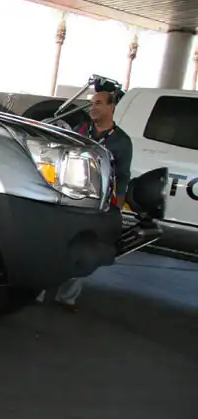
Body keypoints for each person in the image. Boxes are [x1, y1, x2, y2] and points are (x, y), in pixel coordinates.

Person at [51, 89, 134, 312]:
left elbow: (123, 177)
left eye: (98, 103)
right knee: (55, 241)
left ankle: (67, 297)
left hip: (96, 203)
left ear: (111, 107)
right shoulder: (80, 130)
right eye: (91, 104)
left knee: (83, 247)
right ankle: (38, 290)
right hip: (68, 196)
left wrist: (117, 208)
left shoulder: (122, 141)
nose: (92, 108)